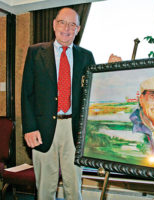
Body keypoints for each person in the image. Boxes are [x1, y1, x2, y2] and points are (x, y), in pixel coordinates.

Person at [21, 7, 95, 200]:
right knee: (45, 188)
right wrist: (29, 128)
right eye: (62, 22)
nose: (67, 28)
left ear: (78, 29)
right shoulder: (35, 52)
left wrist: (110, 68)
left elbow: (95, 91)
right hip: (42, 130)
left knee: (74, 188)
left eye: (72, 24)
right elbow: (27, 93)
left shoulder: (86, 56)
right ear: (54, 24)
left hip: (74, 130)